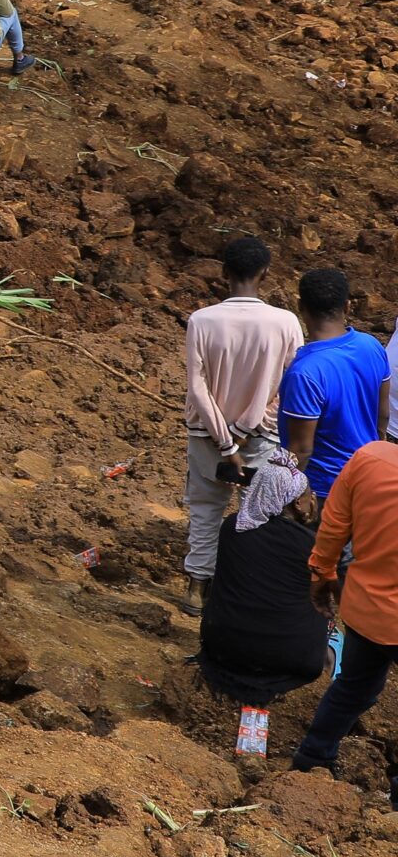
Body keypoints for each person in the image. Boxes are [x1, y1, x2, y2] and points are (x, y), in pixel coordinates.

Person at [181, 237, 308, 598]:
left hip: (206, 435)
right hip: (262, 438)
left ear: (224, 273)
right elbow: (288, 387)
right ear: (265, 273)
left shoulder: (201, 320)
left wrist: (225, 440)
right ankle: (244, 589)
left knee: (206, 508)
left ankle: (196, 587)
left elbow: (197, 387)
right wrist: (241, 432)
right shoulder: (285, 322)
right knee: (257, 514)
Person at [290, 431, 398, 789]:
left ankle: (311, 761)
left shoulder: (371, 459)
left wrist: (322, 573)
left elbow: (333, 523)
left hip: (367, 610)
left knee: (354, 688)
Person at [196, 454, 329, 701]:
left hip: (222, 647)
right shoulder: (312, 547)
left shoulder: (232, 527)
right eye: (309, 497)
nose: (313, 501)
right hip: (292, 660)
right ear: (298, 504)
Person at [282, 267, 390, 503]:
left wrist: (286, 498)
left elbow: (301, 449)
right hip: (367, 477)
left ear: (300, 306)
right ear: (347, 306)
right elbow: (382, 416)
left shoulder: (304, 373)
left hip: (322, 490)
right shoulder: (371, 346)